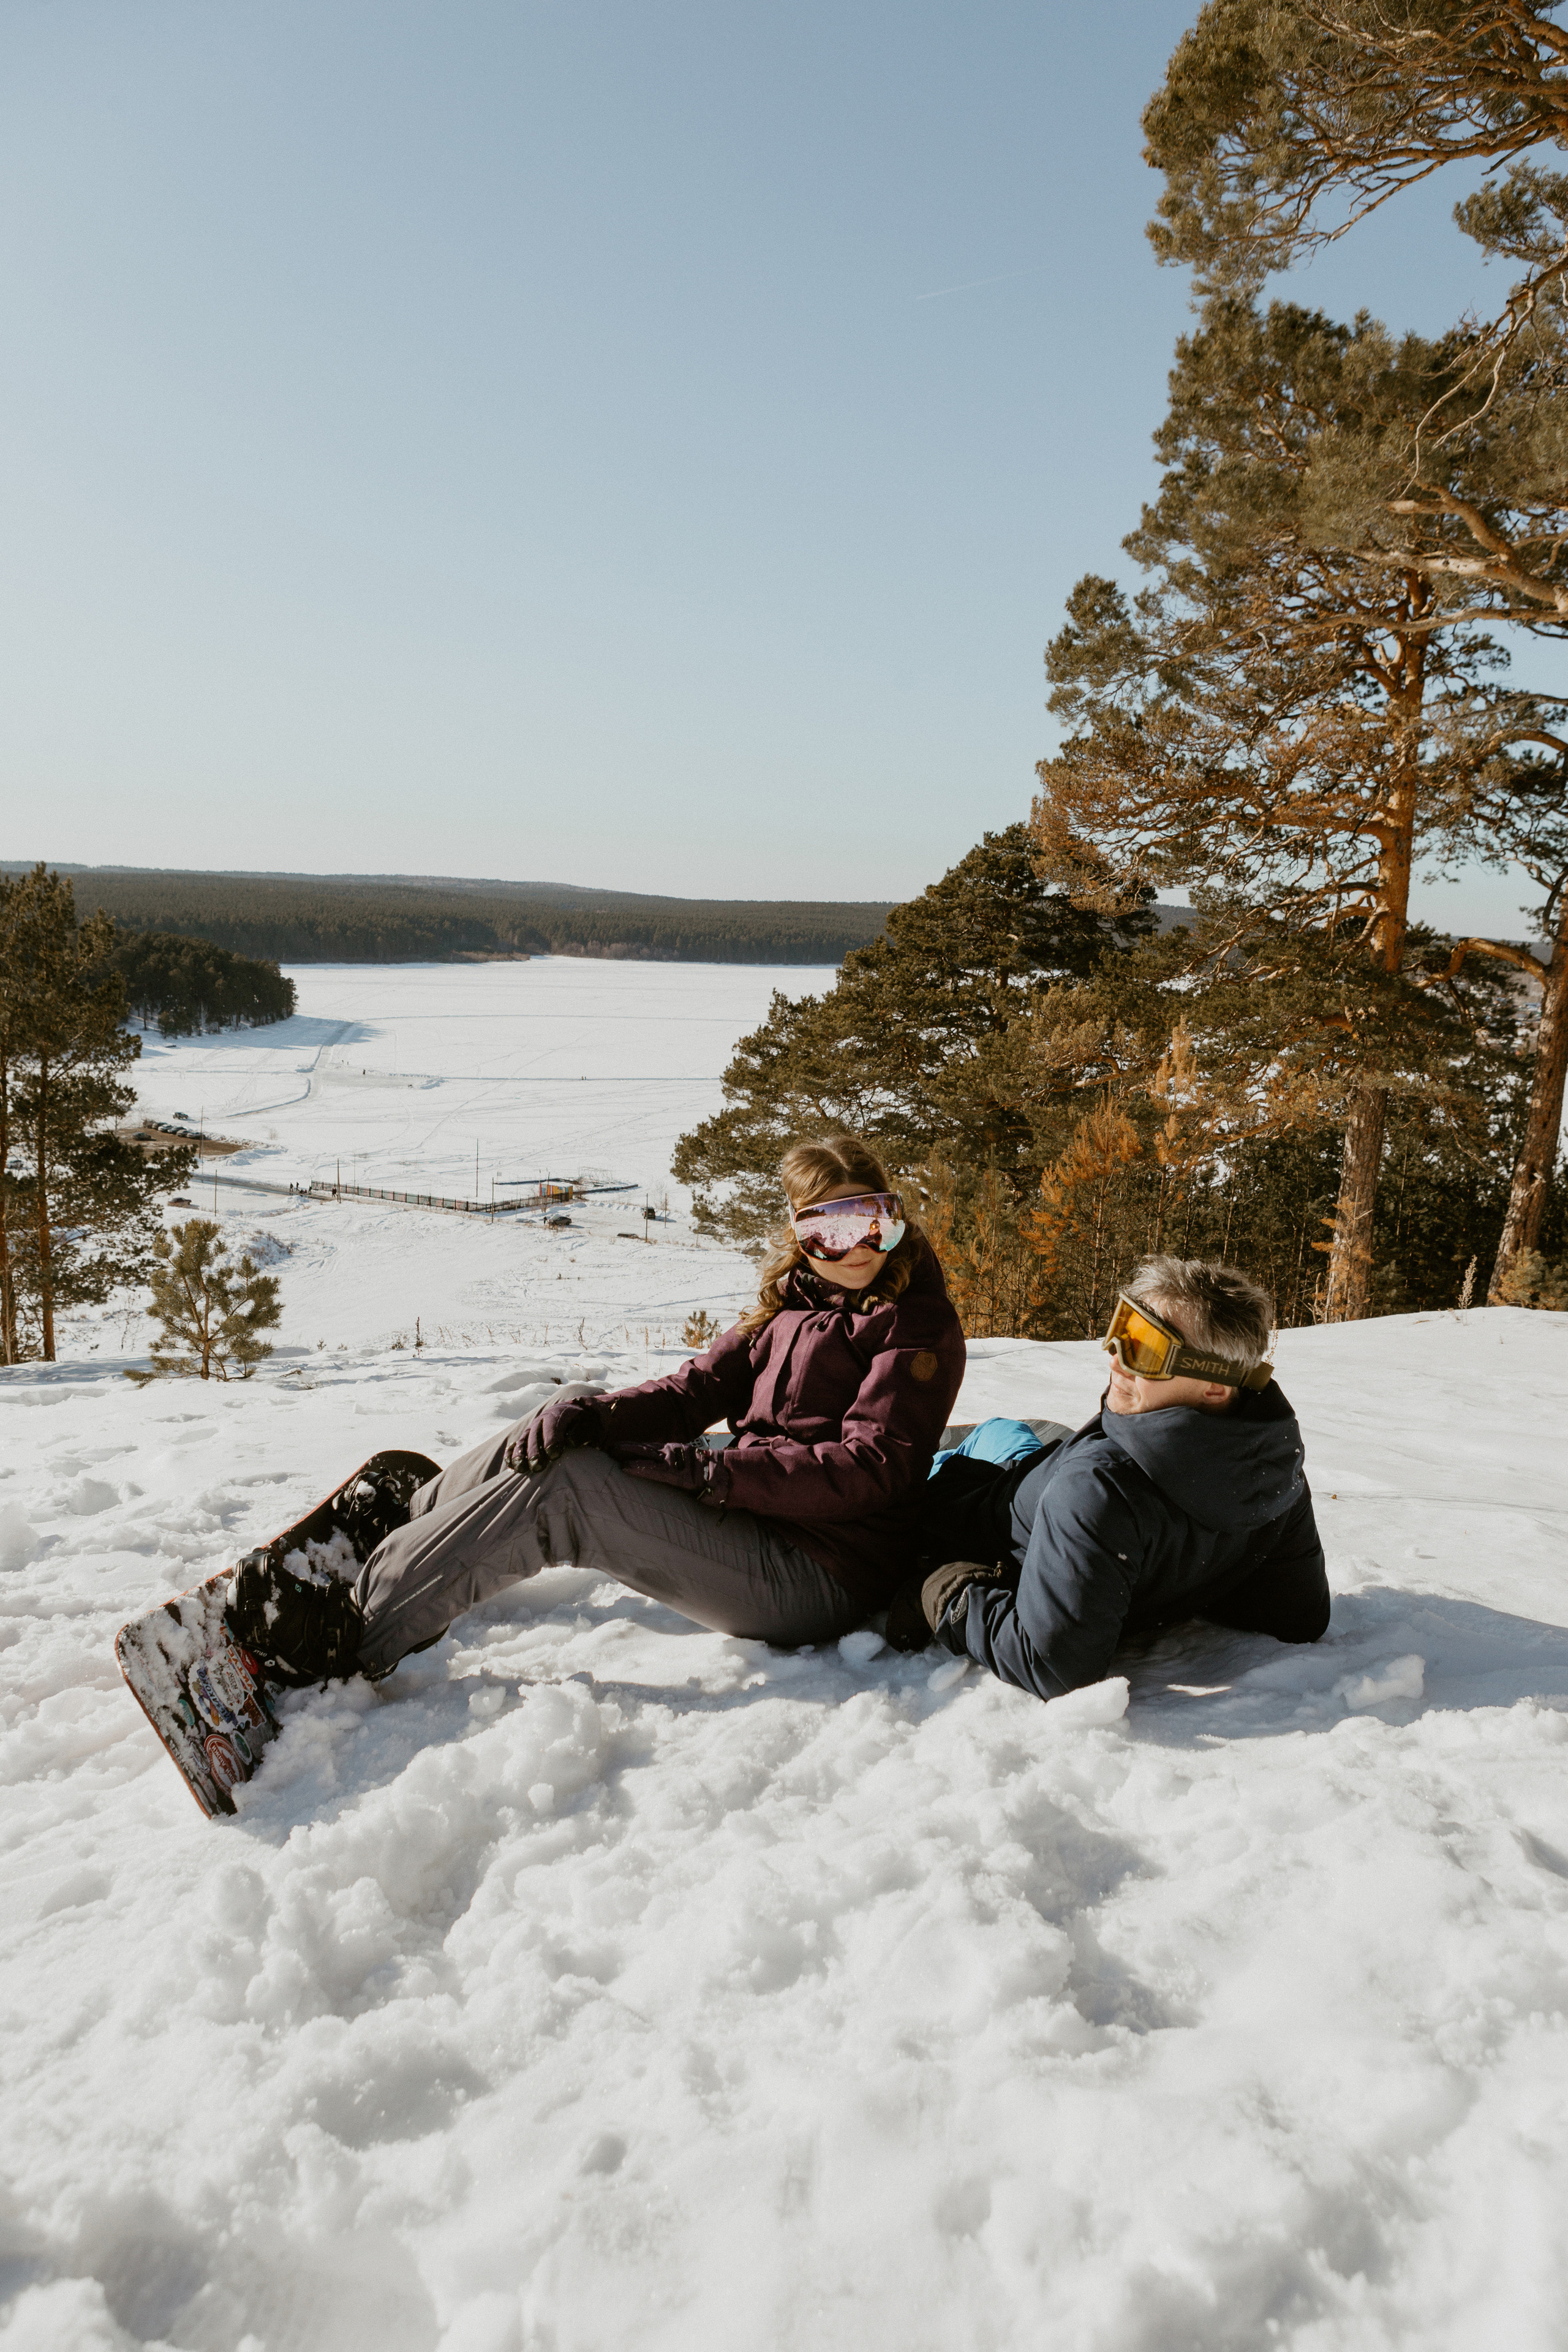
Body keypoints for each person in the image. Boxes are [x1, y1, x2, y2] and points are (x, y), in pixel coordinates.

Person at [230, 1136, 966, 1684]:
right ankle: (417, 1528)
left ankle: (353, 1634)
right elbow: (694, 1393)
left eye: (870, 1221)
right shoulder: (791, 1306)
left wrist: (709, 1476)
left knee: (571, 1493)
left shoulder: (914, 1325)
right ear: (798, 1237)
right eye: (822, 1232)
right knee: (568, 1412)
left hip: (819, 1572)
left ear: (893, 1219)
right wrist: (600, 1419)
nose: (851, 1248)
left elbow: (873, 1469)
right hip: (759, 1515)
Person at [887, 1256, 1329, 1697]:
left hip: (965, 1493)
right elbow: (1296, 1614)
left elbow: (1051, 1664)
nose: (1115, 1358)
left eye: (1147, 1348)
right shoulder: (1270, 1465)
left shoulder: (1097, 1489)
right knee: (1005, 1435)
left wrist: (947, 1594)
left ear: (1215, 1386)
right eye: (1123, 1329)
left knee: (956, 1451)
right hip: (1024, 1476)